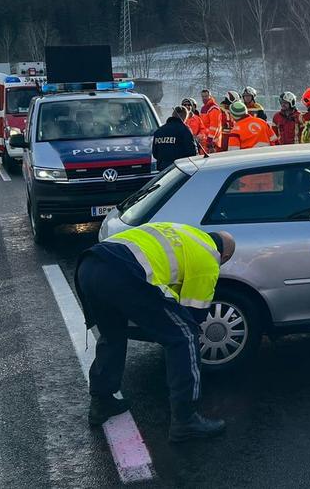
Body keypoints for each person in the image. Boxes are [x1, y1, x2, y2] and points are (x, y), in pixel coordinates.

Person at [75, 223, 236, 441]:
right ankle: (186, 420)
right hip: (124, 271)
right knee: (184, 336)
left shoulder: (185, 233)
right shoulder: (209, 257)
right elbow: (192, 316)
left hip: (89, 264)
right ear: (224, 254)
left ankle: (101, 402)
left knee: (113, 334)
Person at [153, 106, 199, 170]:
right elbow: (191, 152)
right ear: (185, 117)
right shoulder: (184, 130)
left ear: (172, 115)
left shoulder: (159, 131)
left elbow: (155, 153)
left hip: (162, 171)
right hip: (179, 170)